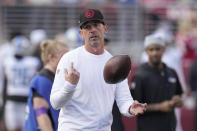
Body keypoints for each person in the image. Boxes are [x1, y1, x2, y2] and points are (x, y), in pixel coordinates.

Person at [50, 9, 147, 131]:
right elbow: (55, 103)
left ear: (105, 29)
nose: (92, 30)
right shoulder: (69, 59)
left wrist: (131, 108)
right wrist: (70, 85)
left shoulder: (114, 63)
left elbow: (124, 100)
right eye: (87, 27)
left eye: (96, 25)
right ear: (81, 33)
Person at [130, 34, 183, 131]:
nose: (155, 53)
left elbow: (179, 95)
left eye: (158, 49)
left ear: (163, 50)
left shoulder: (171, 72)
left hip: (170, 126)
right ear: (146, 51)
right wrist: (159, 107)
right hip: (148, 127)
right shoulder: (140, 76)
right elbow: (134, 107)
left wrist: (178, 101)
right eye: (151, 49)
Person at [23, 40, 69, 131]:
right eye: (64, 56)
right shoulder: (43, 80)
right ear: (51, 57)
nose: (68, 59)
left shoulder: (55, 78)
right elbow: (41, 113)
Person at [3, 35, 40, 131]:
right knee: (25, 127)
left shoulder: (7, 61)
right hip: (25, 97)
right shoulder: (33, 62)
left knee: (13, 127)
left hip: (12, 97)